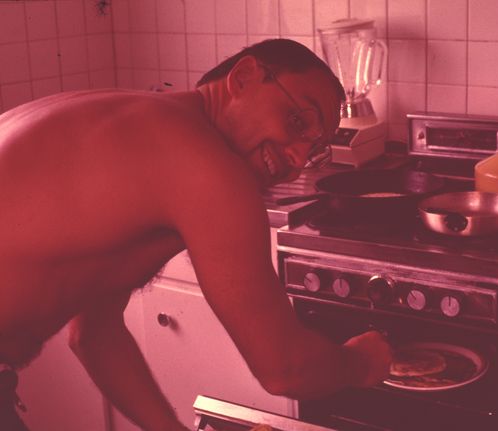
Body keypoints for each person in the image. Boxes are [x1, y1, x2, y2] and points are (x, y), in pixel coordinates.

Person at [0, 39, 392, 431]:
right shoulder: (208, 166)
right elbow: (285, 369)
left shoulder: (144, 130)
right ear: (243, 78)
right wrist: (358, 363)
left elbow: (95, 336)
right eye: (297, 120)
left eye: (315, 148)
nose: (297, 158)